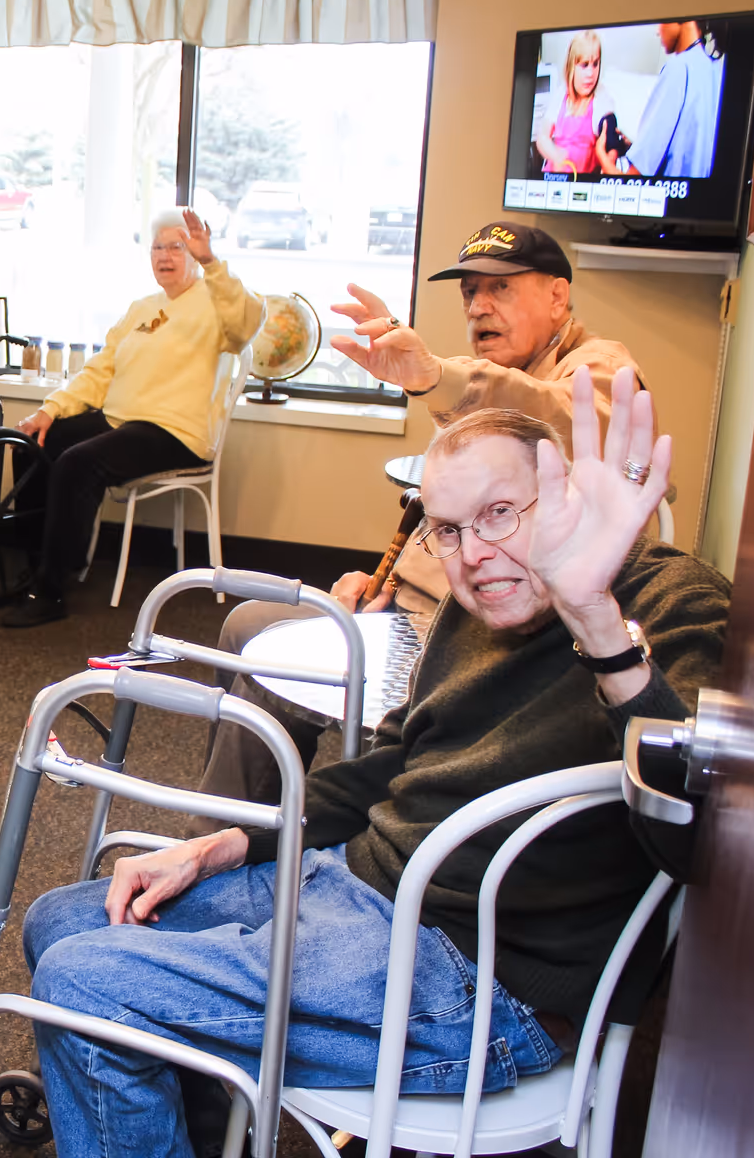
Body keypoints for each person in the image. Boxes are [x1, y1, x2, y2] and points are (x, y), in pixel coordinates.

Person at [21, 367, 728, 1158]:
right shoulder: (476, 602)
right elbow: (389, 762)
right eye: (448, 529)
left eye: (500, 515)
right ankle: (199, 1121)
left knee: (86, 983)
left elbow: (698, 841)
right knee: (61, 922)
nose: (473, 556)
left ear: (564, 493)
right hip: (361, 888)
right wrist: (227, 843)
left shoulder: (676, 603)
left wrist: (595, 617)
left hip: (484, 979)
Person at [197, 221, 645, 806]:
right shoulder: (486, 385)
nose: (479, 307)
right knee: (247, 625)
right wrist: (381, 577)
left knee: (276, 655)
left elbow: (555, 419)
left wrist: (435, 376)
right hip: (415, 600)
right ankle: (238, 828)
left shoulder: (596, 370)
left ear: (557, 295)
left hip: (482, 632)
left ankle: (229, 840)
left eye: (500, 289)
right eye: (469, 293)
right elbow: (443, 521)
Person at [0, 209, 265, 628]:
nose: (165, 255)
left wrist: (212, 261)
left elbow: (249, 322)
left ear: (193, 254)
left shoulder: (217, 303)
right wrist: (48, 410)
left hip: (173, 431)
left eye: (176, 247)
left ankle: (52, 589)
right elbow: (99, 371)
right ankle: (35, 565)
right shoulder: (142, 307)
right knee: (37, 443)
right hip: (121, 421)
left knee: (77, 463)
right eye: (157, 247)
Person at [604, 20, 723, 180]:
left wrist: (601, 156)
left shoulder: (678, 67)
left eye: (660, 22)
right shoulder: (715, 70)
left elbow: (634, 180)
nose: (657, 32)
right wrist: (637, 148)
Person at [535, 30, 616, 176]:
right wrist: (555, 155)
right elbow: (542, 137)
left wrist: (607, 169)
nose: (591, 74)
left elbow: (612, 147)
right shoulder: (561, 95)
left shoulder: (601, 100)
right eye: (584, 65)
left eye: (595, 64)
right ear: (572, 67)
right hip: (554, 179)